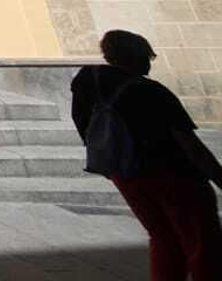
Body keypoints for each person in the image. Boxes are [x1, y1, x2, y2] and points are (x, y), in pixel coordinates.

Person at [71, 29, 222, 280]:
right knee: (201, 241)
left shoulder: (88, 82)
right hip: (174, 176)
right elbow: (190, 145)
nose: (149, 63)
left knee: (163, 237)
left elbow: (83, 124)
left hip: (126, 174)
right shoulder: (152, 92)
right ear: (136, 55)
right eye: (147, 57)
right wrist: (218, 177)